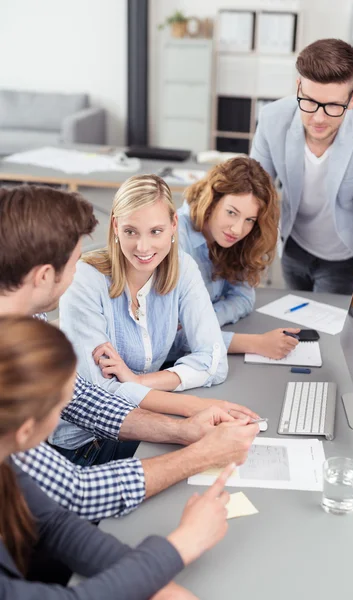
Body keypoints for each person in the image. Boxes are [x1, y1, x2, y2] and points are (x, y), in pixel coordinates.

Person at [0, 184, 259, 521]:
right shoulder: (21, 342)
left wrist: (184, 428)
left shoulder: (29, 321)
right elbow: (76, 492)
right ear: (46, 275)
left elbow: (82, 399)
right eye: (76, 262)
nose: (79, 271)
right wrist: (198, 454)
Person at [0, 315, 240, 600]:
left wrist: (153, 580)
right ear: (25, 430)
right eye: (60, 409)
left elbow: (55, 524)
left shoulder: (9, 460)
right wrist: (183, 544)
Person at [52, 174, 235, 457]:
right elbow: (101, 393)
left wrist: (139, 382)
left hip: (145, 421)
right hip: (88, 445)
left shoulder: (182, 268)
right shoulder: (85, 280)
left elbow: (213, 360)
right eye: (131, 231)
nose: (143, 247)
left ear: (174, 225)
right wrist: (192, 406)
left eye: (156, 231)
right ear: (115, 226)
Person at [251, 38, 353, 295]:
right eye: (309, 102)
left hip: (344, 256)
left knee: (327, 330)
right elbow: (252, 190)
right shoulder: (272, 118)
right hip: (294, 246)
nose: (318, 118)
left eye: (332, 106)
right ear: (298, 87)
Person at [178, 156, 300, 359]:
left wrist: (201, 320)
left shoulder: (236, 240)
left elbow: (243, 298)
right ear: (212, 200)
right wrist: (255, 343)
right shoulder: (175, 240)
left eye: (249, 219)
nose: (237, 229)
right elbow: (171, 341)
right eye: (231, 212)